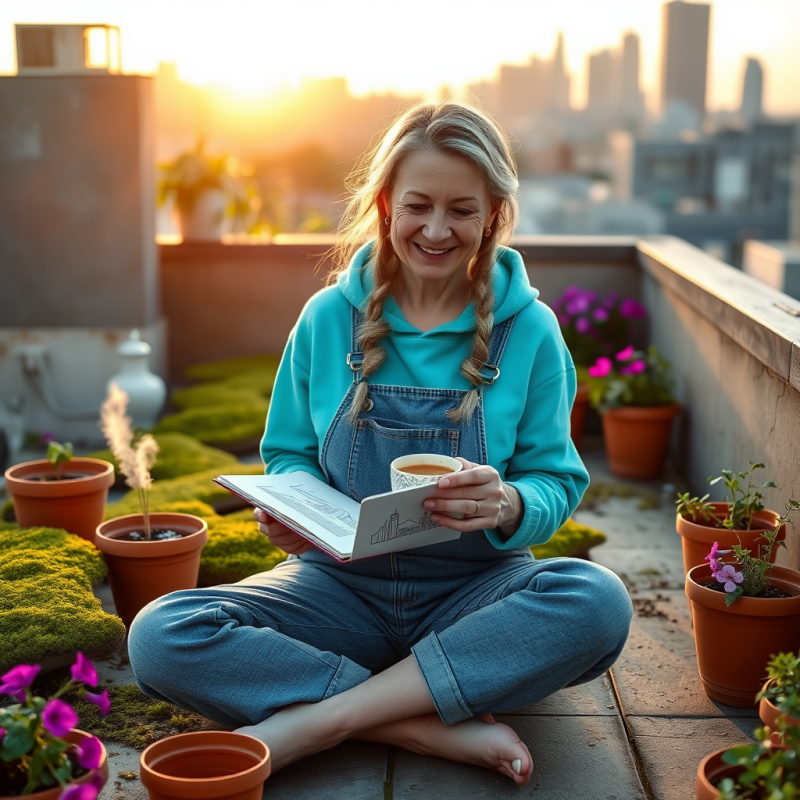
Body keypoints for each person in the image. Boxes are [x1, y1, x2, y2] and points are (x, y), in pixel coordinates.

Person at [128, 102, 632, 786]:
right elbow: (289, 454)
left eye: (461, 209)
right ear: (387, 204)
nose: (435, 229)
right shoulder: (327, 318)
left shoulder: (531, 331)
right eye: (418, 205)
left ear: (492, 214)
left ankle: (320, 719)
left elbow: (557, 479)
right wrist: (290, 512)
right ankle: (421, 722)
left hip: (474, 591)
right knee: (159, 634)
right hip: (336, 589)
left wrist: (511, 503)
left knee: (597, 602)